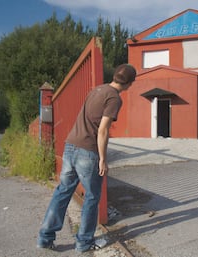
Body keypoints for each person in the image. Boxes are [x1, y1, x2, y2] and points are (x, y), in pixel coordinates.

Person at [37, 64, 137, 252]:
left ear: (114, 76)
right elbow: (103, 130)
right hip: (88, 152)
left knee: (62, 193)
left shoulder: (96, 90)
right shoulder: (114, 98)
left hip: (70, 146)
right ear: (130, 83)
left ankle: (44, 238)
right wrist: (102, 159)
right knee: (92, 198)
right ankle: (84, 243)